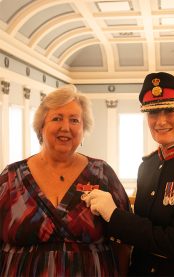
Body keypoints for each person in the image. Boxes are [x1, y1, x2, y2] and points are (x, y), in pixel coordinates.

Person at [83, 72, 174, 276]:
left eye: (170, 111)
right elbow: (142, 230)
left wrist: (114, 215)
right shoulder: (147, 165)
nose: (160, 121)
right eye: (153, 113)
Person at [0, 86, 131, 276]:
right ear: (41, 126)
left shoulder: (102, 174)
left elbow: (124, 241)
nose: (66, 127)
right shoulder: (11, 178)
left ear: (83, 129)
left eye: (74, 120)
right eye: (57, 118)